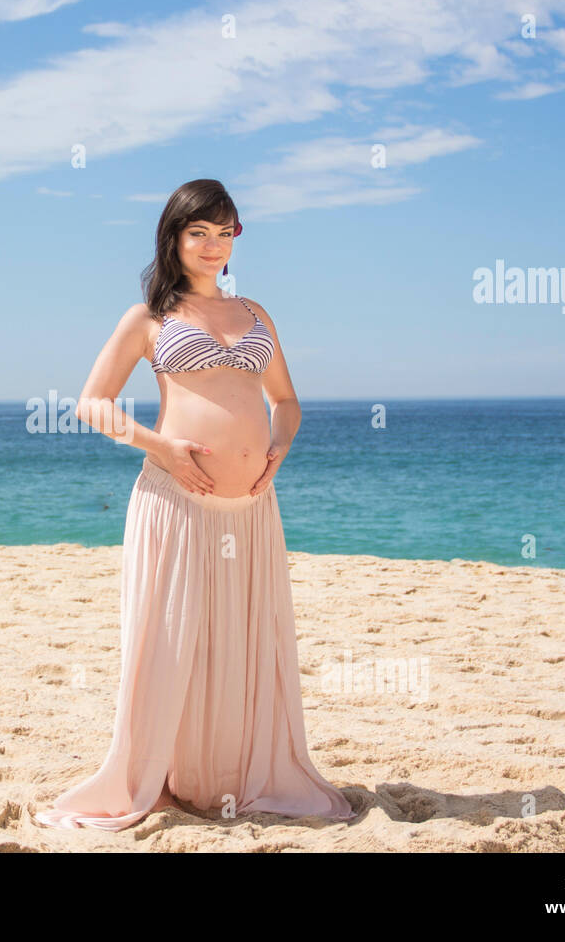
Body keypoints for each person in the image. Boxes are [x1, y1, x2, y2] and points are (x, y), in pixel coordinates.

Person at [33, 178, 357, 831]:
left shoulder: (257, 315)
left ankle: (227, 778)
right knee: (173, 639)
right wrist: (163, 447)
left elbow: (287, 403)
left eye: (224, 231)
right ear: (174, 239)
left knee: (241, 642)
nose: (212, 245)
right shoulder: (148, 319)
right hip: (175, 499)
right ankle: (162, 775)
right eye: (198, 232)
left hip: (251, 508)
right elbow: (91, 404)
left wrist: (278, 450)